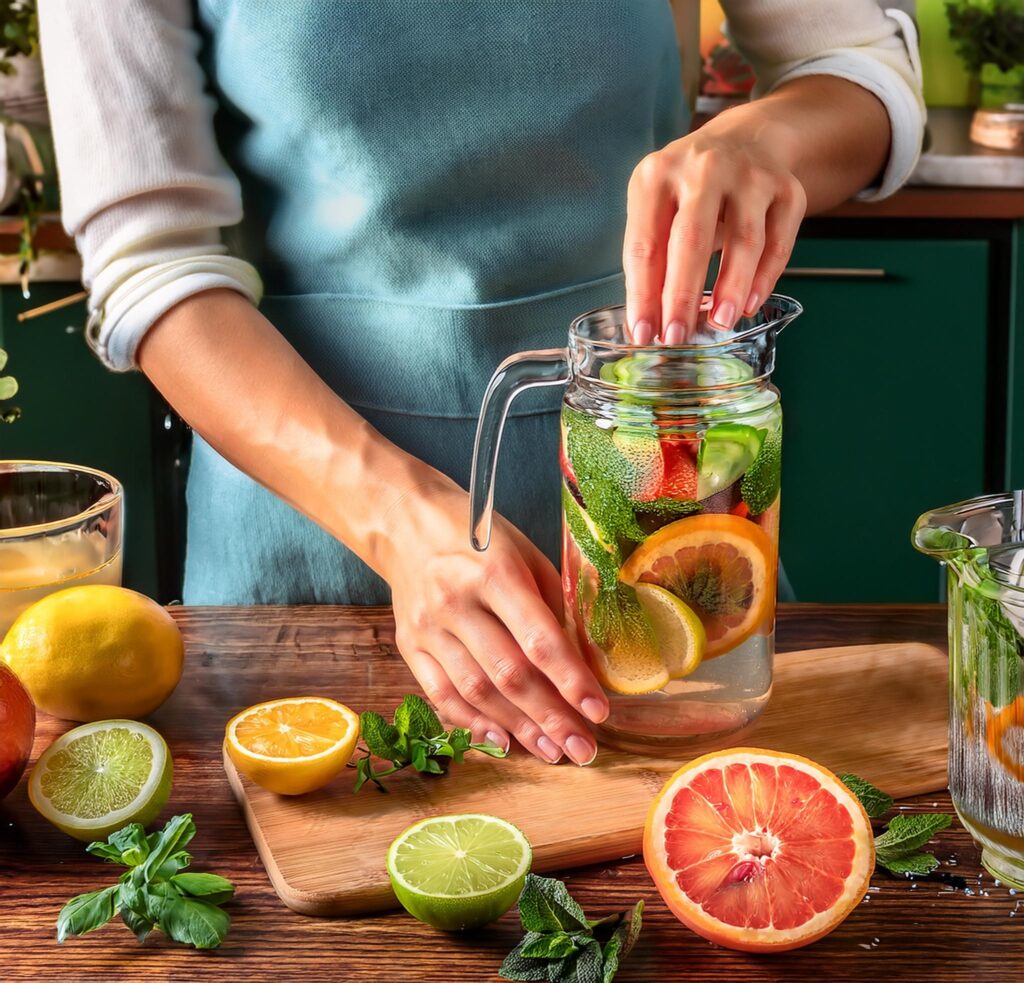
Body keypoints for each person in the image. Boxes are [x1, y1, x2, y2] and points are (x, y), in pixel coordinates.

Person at [39, 1, 924, 768]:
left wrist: (758, 137)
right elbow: (151, 267)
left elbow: (859, 76)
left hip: (663, 522)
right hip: (308, 559)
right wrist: (400, 525)